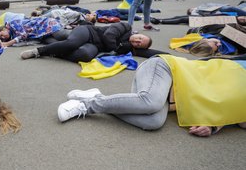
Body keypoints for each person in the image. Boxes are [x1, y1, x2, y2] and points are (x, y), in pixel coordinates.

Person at [57, 55, 246, 136]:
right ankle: (86, 105)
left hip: (170, 97)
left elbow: (237, 116)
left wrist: (215, 127)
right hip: (164, 68)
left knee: (153, 123)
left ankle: (101, 97)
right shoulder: (240, 68)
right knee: (151, 102)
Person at [20, 22, 154, 63]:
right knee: (72, 44)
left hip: (94, 45)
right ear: (139, 34)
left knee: (85, 56)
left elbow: (150, 53)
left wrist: (170, 56)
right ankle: (38, 51)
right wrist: (116, 48)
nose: (137, 41)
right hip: (88, 31)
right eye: (140, 38)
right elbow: (108, 35)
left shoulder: (128, 47)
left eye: (139, 44)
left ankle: (56, 52)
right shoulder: (126, 27)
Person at [0, 17, 70, 47]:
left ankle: (79, 32)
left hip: (46, 24)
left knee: (59, 35)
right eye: (1, 37)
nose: (3, 37)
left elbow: (23, 35)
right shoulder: (12, 36)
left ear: (4, 29)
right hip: (42, 35)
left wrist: (7, 43)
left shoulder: (13, 23)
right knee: (55, 44)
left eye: (2, 35)